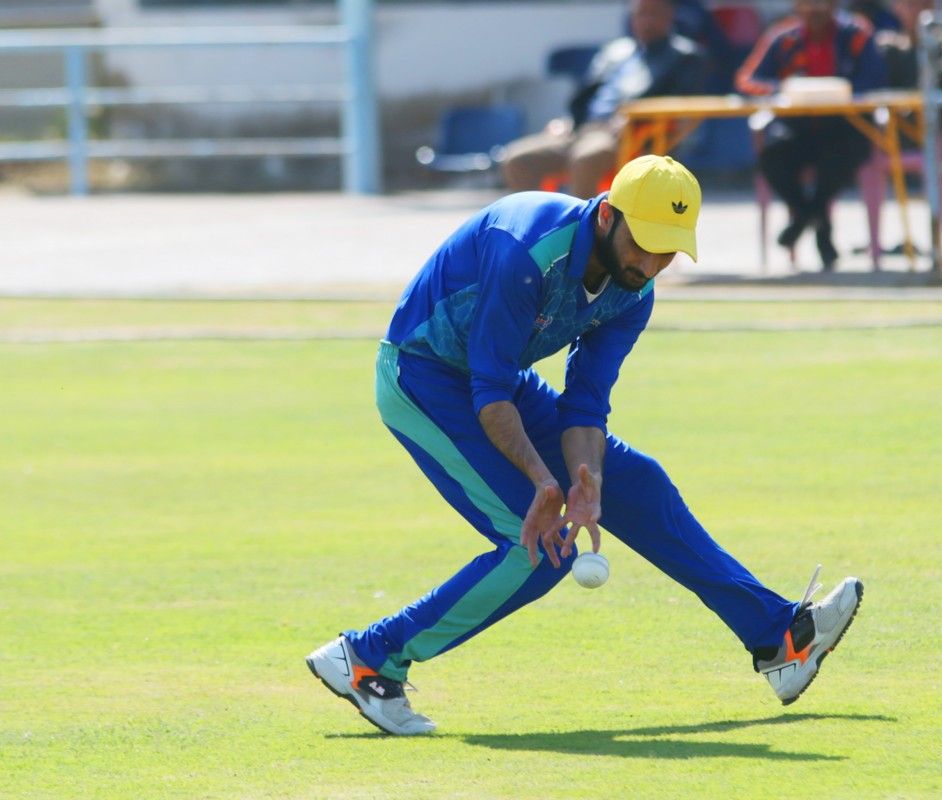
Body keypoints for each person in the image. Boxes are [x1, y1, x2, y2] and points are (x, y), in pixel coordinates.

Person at [305, 155, 864, 735]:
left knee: (636, 484)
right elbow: (489, 389)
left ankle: (779, 640)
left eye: (668, 252)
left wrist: (586, 479)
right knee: (535, 548)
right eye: (643, 244)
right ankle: (369, 658)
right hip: (422, 376)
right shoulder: (526, 253)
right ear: (605, 216)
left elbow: (586, 404)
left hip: (499, 383)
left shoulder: (634, 291)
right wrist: (544, 482)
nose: (650, 264)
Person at [500, 0, 707, 198]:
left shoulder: (685, 56)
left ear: (669, 15)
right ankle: (537, 221)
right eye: (641, 13)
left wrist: (633, 120)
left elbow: (679, 105)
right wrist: (568, 121)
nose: (646, 20)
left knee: (586, 158)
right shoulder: (615, 52)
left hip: (625, 136)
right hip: (581, 130)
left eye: (653, 13)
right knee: (517, 159)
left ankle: (585, 223)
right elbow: (586, 97)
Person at [735, 0, 885, 270]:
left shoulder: (857, 34)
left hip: (844, 127)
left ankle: (803, 220)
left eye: (821, 4)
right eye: (807, 4)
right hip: (797, 128)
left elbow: (875, 79)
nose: (815, 10)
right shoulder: (783, 38)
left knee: (839, 157)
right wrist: (785, 88)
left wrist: (838, 90)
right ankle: (813, 217)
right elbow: (748, 81)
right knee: (772, 156)